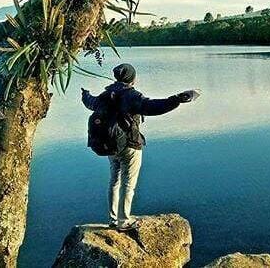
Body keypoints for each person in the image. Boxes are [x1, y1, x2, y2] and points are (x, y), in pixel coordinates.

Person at [81, 63, 199, 231]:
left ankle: (113, 219)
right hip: (130, 145)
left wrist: (85, 94)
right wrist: (177, 99)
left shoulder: (105, 95)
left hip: (111, 145)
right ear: (132, 78)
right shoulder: (131, 96)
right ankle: (124, 221)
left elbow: (90, 103)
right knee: (128, 183)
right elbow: (153, 107)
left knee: (114, 181)